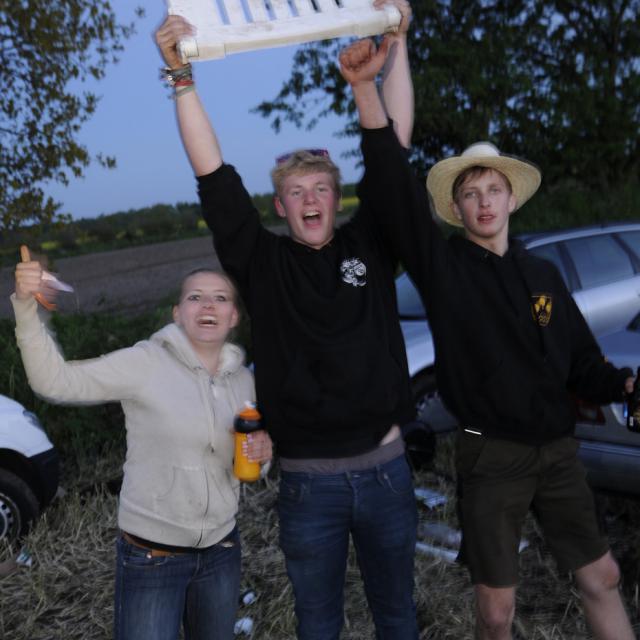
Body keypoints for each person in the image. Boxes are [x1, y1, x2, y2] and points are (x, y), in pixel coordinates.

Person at [337, 37, 637, 640]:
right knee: (496, 611)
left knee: (602, 576)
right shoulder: (444, 269)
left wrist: (625, 383)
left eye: (493, 190)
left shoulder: (543, 273)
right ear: (457, 207)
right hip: (490, 455)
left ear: (510, 197)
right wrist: (366, 89)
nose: (483, 202)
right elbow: (393, 182)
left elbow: (582, 362)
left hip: (558, 451)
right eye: (470, 194)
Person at [155, 2, 420, 638]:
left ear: (337, 197)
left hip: (386, 471)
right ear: (281, 206)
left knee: (397, 617)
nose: (310, 199)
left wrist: (398, 42)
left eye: (320, 187)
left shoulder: (371, 242)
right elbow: (212, 173)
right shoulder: (262, 261)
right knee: (317, 623)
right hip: (307, 486)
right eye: (296, 192)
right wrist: (182, 77)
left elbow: (394, 147)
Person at [11, 260, 272, 640]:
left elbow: (244, 460)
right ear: (177, 314)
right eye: (195, 297)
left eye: (220, 298)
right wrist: (25, 306)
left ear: (233, 317)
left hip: (222, 551)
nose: (208, 305)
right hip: (153, 556)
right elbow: (56, 381)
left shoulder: (244, 380)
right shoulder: (145, 364)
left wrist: (262, 457)